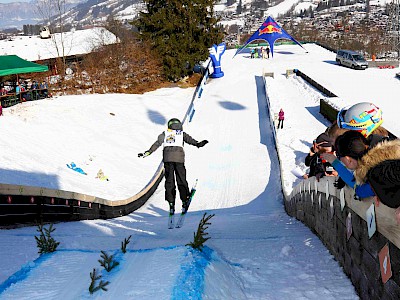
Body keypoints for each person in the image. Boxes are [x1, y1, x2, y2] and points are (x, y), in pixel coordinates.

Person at [138, 118, 208, 216]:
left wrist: (148, 152)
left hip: (167, 159)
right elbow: (190, 141)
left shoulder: (165, 133)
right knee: (181, 179)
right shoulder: (181, 133)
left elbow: (157, 143)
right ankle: (184, 200)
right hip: (179, 160)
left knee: (169, 181)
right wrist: (198, 144)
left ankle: (171, 202)